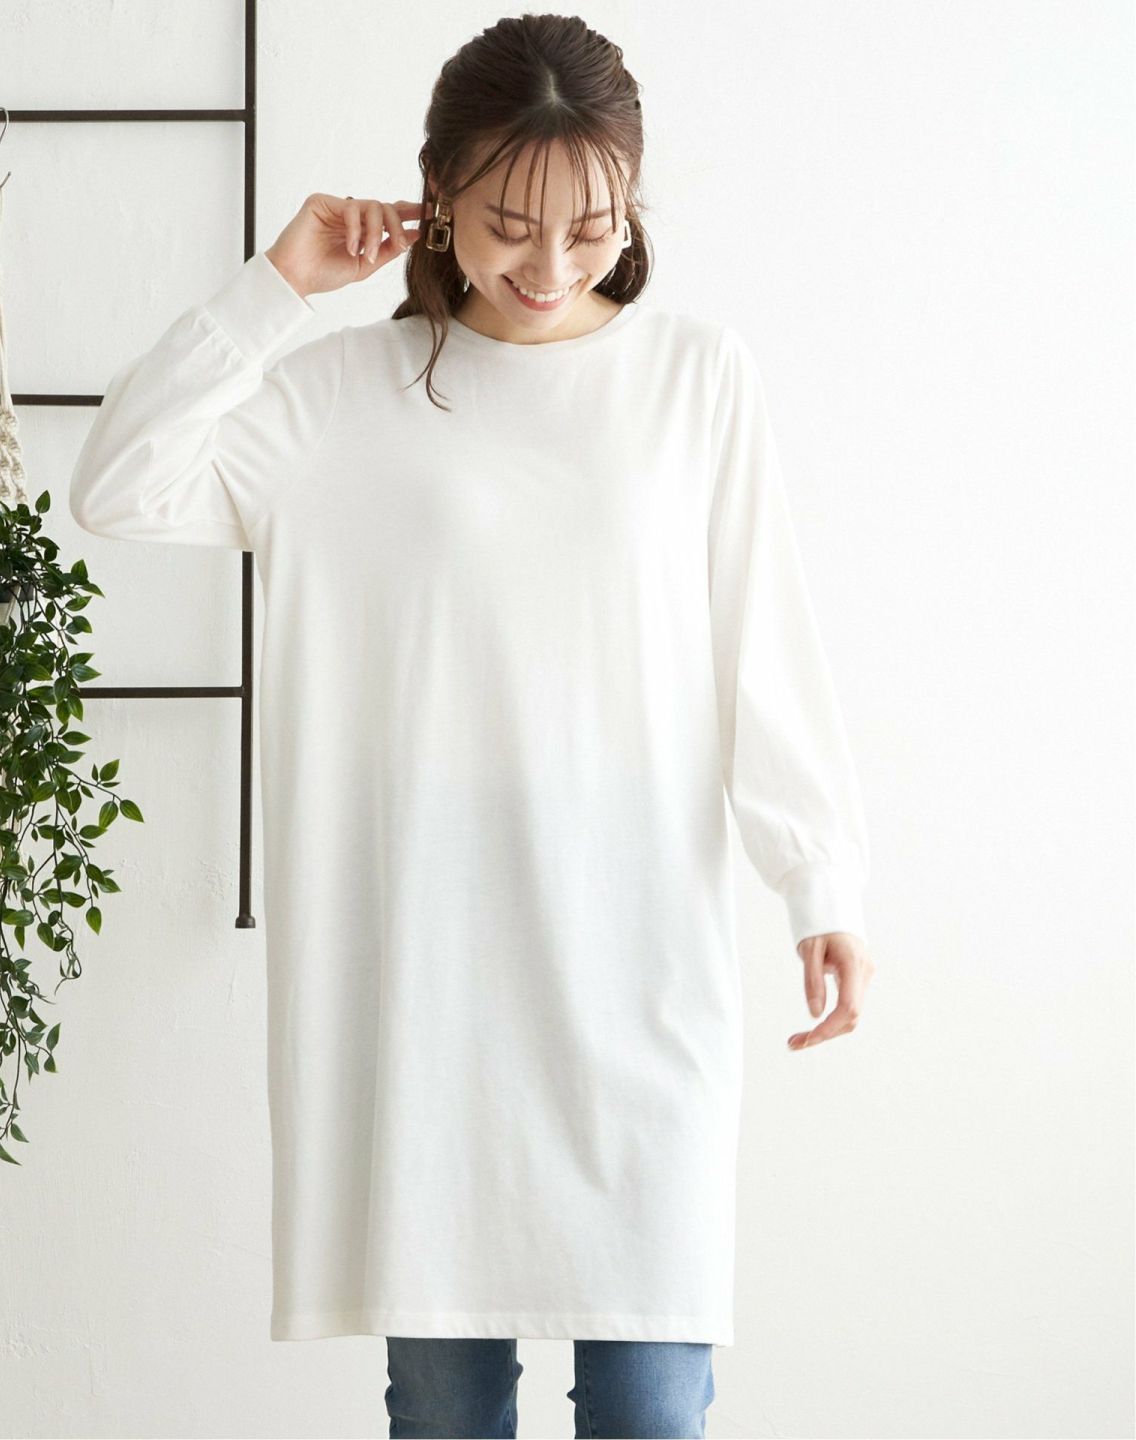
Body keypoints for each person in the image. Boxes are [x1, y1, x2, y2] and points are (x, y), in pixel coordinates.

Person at [68, 13, 874, 1438]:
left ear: (632, 208)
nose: (551, 267)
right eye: (510, 227)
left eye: (592, 230)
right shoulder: (339, 398)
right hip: (425, 979)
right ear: (438, 192)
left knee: (653, 1403)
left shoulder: (695, 378)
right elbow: (120, 483)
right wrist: (278, 287)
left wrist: (820, 881)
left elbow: (763, 646)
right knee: (442, 1412)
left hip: (635, 961)